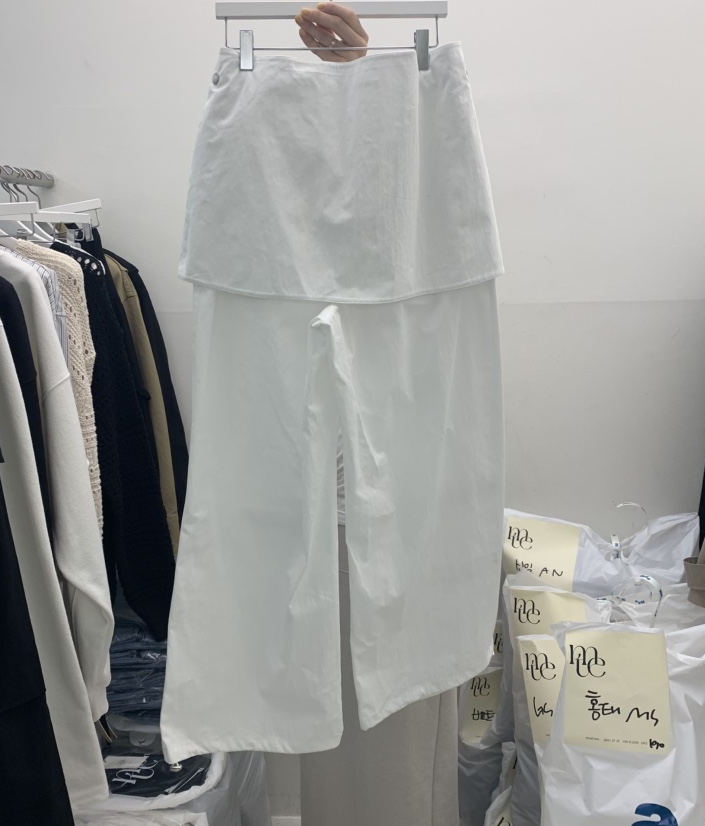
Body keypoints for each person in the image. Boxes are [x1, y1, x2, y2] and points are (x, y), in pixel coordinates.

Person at [294, 7, 461, 826]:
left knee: (401, 715)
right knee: (332, 720)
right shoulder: (294, 213)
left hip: (396, 506)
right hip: (319, 513)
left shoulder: (419, 216)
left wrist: (357, 70)